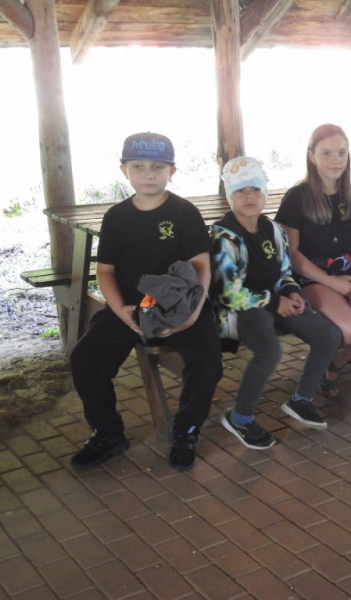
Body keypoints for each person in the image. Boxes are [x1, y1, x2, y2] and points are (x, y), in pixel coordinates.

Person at [69, 132, 223, 471]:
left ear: (172, 172)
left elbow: (201, 267)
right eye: (138, 166)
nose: (148, 174)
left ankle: (186, 430)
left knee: (208, 363)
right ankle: (108, 433)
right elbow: (105, 270)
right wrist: (119, 310)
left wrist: (189, 317)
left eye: (157, 167)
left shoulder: (184, 212)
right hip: (130, 306)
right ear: (124, 170)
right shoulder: (116, 217)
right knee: (85, 360)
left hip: (182, 305)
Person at [212, 156, 341, 444]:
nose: (249, 196)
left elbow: (284, 272)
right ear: (230, 196)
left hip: (274, 303)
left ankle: (302, 399)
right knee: (269, 351)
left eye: (256, 189)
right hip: (239, 311)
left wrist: (292, 292)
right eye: (241, 190)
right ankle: (240, 417)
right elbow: (228, 293)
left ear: (265, 194)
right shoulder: (223, 237)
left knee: (328, 335)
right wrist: (275, 302)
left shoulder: (274, 230)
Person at [276, 124, 351, 398]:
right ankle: (334, 356)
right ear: (311, 156)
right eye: (327, 153)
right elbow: (291, 255)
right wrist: (333, 283)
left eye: (342, 153)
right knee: (350, 330)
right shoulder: (297, 198)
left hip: (349, 275)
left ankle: (337, 361)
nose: (336, 160)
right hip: (311, 277)